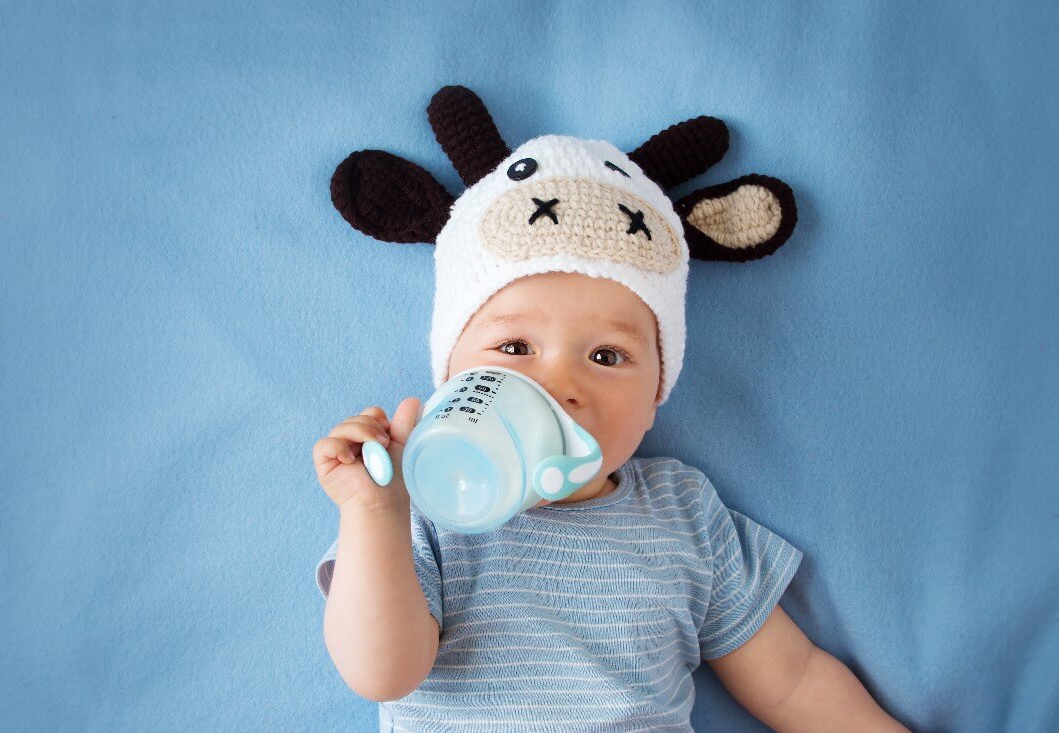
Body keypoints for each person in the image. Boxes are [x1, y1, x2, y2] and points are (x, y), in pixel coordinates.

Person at [313, 88, 907, 731]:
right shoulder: (419, 510)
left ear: (658, 394)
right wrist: (374, 513)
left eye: (607, 356)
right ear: (451, 377)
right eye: (515, 347)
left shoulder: (684, 514)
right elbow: (381, 674)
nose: (559, 384)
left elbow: (793, 683)